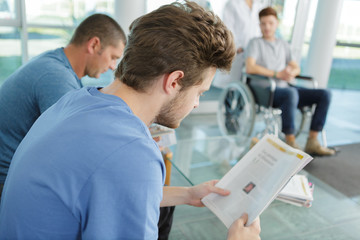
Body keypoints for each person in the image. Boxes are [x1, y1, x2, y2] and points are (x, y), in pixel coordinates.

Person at [0, 1, 261, 239]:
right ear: (174, 81)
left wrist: (188, 194)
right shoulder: (132, 153)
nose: (196, 104)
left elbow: (111, 189)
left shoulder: (75, 100)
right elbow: (122, 173)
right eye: (199, 93)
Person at [0, 13, 127, 196]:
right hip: (7, 182)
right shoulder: (56, 77)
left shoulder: (55, 63)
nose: (113, 66)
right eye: (113, 57)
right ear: (94, 45)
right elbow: (74, 147)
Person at [246, 7, 335, 156]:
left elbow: (296, 67)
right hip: (265, 89)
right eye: (263, 23)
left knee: (325, 94)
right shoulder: (255, 43)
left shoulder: (283, 45)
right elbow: (250, 67)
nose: (267, 27)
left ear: (277, 24)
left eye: (270, 23)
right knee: (291, 93)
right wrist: (277, 73)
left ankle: (312, 141)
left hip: (285, 88)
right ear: (259, 25)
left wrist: (291, 73)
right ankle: (290, 141)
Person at [212, 0, 265, 88]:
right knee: (231, 87)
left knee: (247, 89)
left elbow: (259, 30)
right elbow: (228, 28)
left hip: (252, 53)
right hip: (238, 51)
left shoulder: (259, 6)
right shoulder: (232, 4)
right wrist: (238, 47)